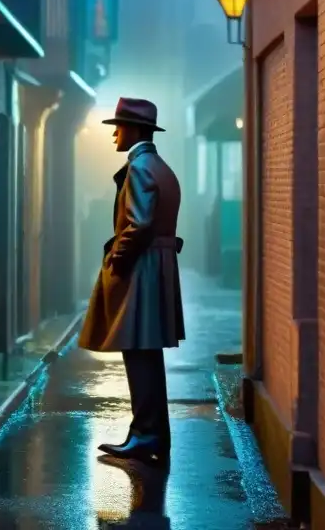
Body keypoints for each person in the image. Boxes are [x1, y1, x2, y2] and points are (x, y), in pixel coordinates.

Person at [78, 97, 185, 467]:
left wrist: (117, 262)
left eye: (118, 128)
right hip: (157, 267)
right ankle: (151, 433)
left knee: (139, 353)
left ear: (135, 130)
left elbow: (137, 224)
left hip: (142, 269)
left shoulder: (140, 167)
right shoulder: (159, 167)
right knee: (146, 354)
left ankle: (145, 435)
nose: (114, 136)